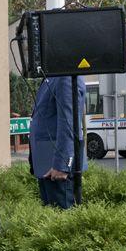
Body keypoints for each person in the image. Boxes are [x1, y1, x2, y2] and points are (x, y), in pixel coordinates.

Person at [29, 76, 86, 209]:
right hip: (47, 166)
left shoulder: (65, 77)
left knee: (63, 223)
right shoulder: (53, 76)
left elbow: (69, 123)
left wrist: (63, 165)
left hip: (58, 169)